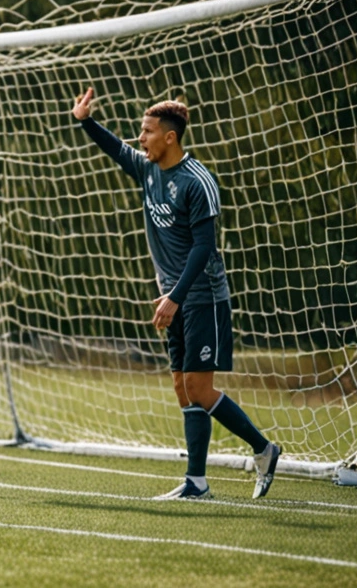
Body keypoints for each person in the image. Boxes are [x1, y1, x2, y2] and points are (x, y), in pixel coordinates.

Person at [72, 88, 282, 501]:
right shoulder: (147, 169)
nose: (140, 138)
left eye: (147, 132)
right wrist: (85, 121)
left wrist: (176, 296)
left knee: (201, 390)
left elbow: (204, 248)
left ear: (169, 137)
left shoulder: (197, 181)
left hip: (202, 296)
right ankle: (197, 483)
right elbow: (115, 148)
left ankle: (263, 449)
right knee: (183, 389)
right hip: (175, 298)